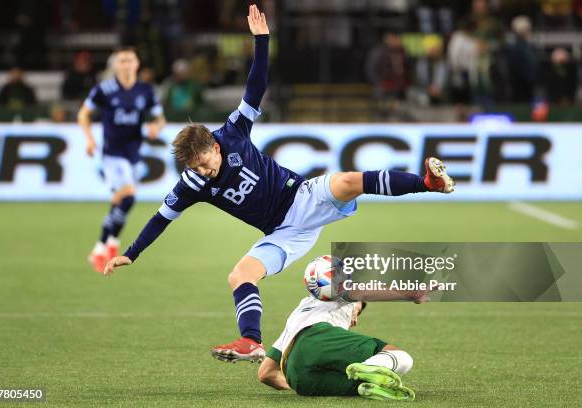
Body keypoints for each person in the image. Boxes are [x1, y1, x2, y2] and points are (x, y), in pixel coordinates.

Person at [103, 4, 454, 363]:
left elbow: (257, 84)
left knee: (348, 180)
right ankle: (250, 341)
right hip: (283, 233)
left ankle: (427, 183)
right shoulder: (192, 183)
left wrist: (261, 41)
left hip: (302, 197)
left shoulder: (234, 132)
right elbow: (162, 218)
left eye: (206, 163)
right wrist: (131, 253)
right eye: (196, 167)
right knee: (240, 274)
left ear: (214, 145)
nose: (204, 172)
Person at [77, 46, 166, 272]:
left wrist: (156, 127)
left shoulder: (145, 90)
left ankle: (104, 246)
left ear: (137, 64)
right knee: (129, 196)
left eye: (130, 60)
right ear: (115, 65)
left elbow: (160, 118)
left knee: (120, 202)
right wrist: (89, 139)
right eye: (122, 61)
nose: (126, 64)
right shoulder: (104, 89)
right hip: (112, 153)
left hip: (134, 153)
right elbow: (83, 114)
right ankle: (105, 246)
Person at [257, 290, 422, 400]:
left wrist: (295, 385)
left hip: (300, 379)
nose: (356, 318)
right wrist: (411, 294)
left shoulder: (297, 316)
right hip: (317, 338)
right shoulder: (338, 296)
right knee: (401, 357)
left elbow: (266, 373)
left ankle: (372, 383)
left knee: (361, 385)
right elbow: (362, 290)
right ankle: (367, 367)